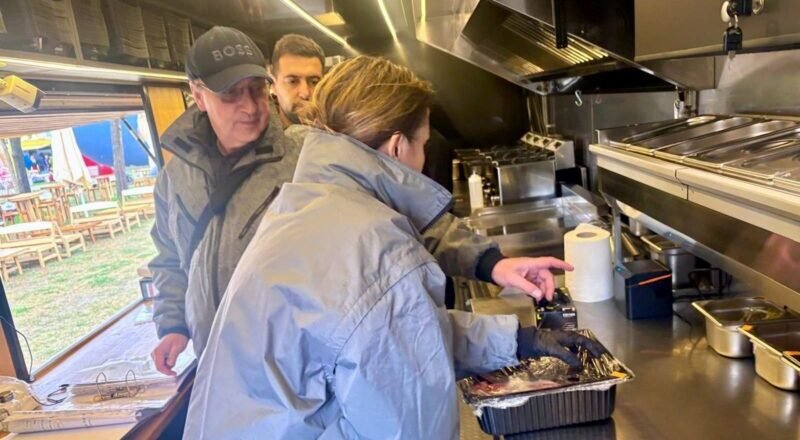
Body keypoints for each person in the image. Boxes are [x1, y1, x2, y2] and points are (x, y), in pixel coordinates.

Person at [184, 55, 603, 439]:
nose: (423, 157)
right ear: (398, 146)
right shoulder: (377, 249)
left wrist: (518, 341)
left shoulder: (307, 205)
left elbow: (391, 339)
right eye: (423, 144)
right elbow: (409, 423)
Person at [148, 26, 302, 374]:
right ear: (198, 96)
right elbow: (171, 256)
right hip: (215, 363)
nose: (249, 106)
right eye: (231, 94)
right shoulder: (174, 179)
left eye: (256, 89)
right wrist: (174, 325)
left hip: (293, 367)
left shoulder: (305, 160)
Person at [268, 34, 325, 128]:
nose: (305, 93)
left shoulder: (343, 137)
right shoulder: (256, 139)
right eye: (292, 81)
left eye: (314, 82)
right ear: (273, 84)